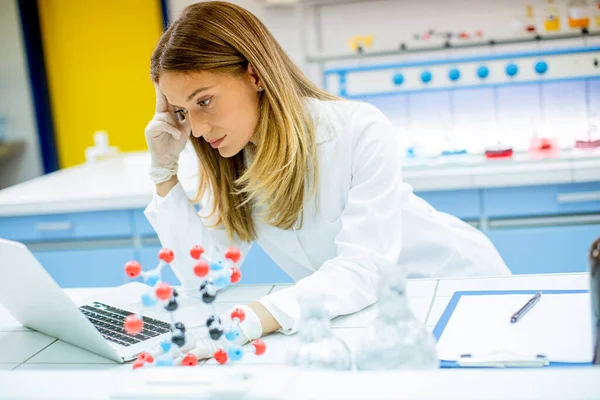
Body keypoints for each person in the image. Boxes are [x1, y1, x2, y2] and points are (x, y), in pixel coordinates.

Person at [143, 1, 510, 359]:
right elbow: (203, 280)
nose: (197, 129)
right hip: (370, 315)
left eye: (204, 101)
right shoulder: (235, 159)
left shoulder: (358, 128)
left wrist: (250, 319)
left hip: (456, 290)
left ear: (254, 75)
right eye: (181, 112)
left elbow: (364, 268)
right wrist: (164, 172)